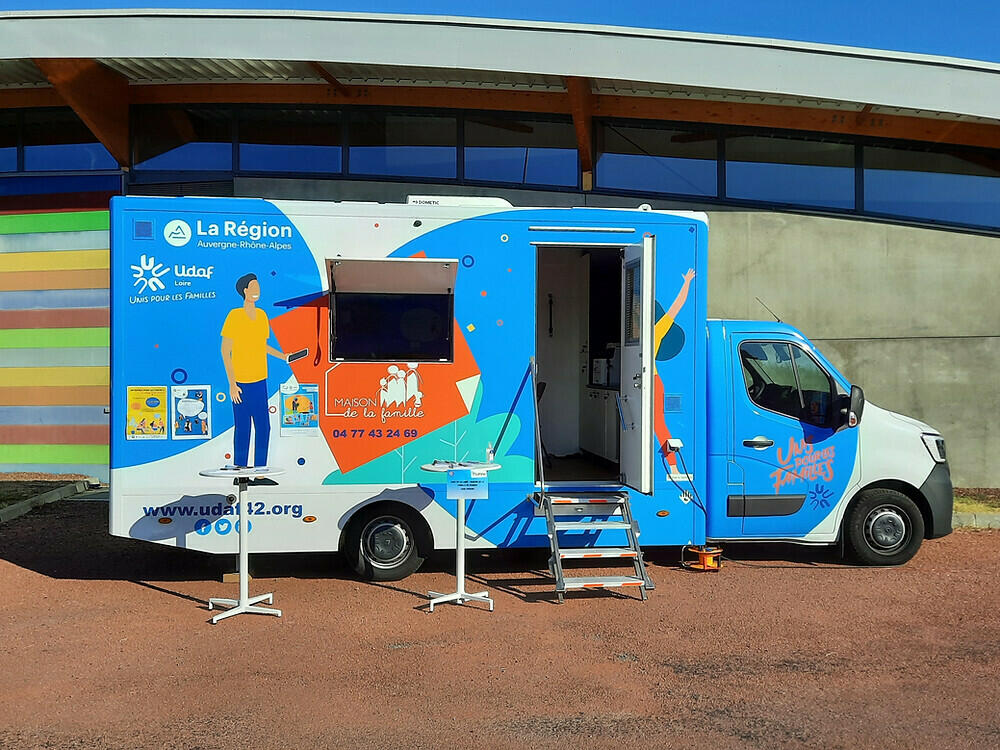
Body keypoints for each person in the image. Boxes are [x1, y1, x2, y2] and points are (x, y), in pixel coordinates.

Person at [221, 273, 287, 468]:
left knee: (264, 427)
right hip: (241, 382)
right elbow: (225, 350)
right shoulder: (235, 316)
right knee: (243, 428)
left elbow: (262, 346)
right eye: (253, 287)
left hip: (259, 380)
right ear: (245, 291)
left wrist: (283, 356)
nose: (257, 291)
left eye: (258, 287)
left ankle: (260, 471)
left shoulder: (262, 316)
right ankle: (240, 471)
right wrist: (232, 384)